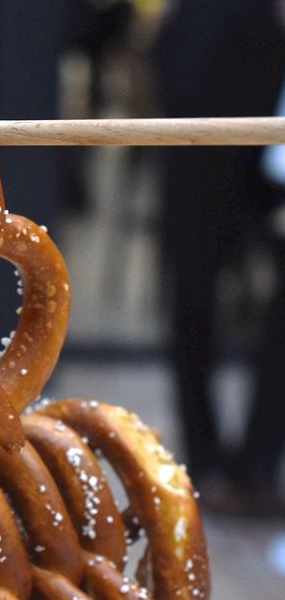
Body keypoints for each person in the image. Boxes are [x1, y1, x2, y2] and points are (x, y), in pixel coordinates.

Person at [154, 0, 285, 511]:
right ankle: (206, 460)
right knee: (192, 290)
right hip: (204, 91)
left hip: (271, 93)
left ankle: (258, 462)